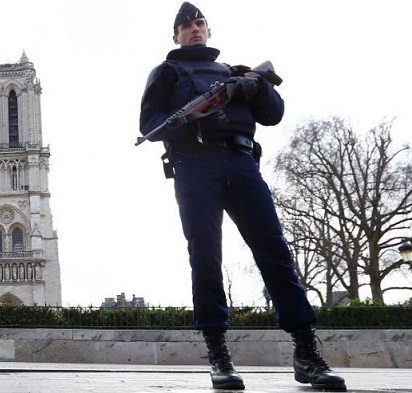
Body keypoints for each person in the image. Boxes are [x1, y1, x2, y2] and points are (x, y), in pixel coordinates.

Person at [139, 3, 346, 391]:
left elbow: (274, 114)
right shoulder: (166, 73)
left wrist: (256, 86)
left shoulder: (234, 72)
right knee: (205, 255)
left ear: (208, 30)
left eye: (199, 23)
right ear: (175, 37)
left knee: (274, 251)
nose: (194, 29)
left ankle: (306, 353)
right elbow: (151, 128)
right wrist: (198, 120)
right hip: (195, 166)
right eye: (186, 26)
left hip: (241, 161)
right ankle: (218, 355)